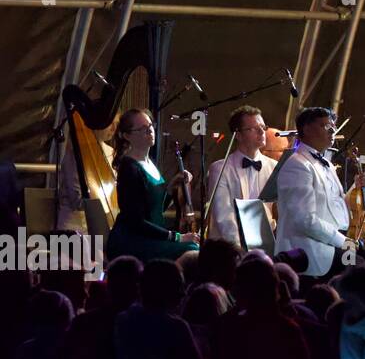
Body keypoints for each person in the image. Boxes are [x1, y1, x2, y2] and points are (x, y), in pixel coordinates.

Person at [274, 107, 361, 279]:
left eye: (333, 126)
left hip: (338, 242)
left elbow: (335, 203)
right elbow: (304, 220)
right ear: (306, 129)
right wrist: (342, 241)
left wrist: (355, 187)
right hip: (317, 249)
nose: (333, 131)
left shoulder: (325, 163)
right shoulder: (298, 165)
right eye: (325, 126)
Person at [105, 109, 199, 262]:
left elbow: (155, 209)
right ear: (127, 136)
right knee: (192, 250)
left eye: (150, 126)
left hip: (150, 236)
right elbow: (136, 220)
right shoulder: (129, 168)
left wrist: (170, 188)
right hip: (132, 241)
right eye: (142, 129)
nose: (150, 130)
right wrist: (176, 237)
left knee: (195, 247)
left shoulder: (149, 163)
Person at [206, 105, 277, 246]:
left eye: (263, 127)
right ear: (238, 135)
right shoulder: (220, 168)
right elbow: (223, 216)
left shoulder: (274, 167)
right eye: (253, 128)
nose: (261, 131)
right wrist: (240, 248)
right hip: (227, 247)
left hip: (263, 243)